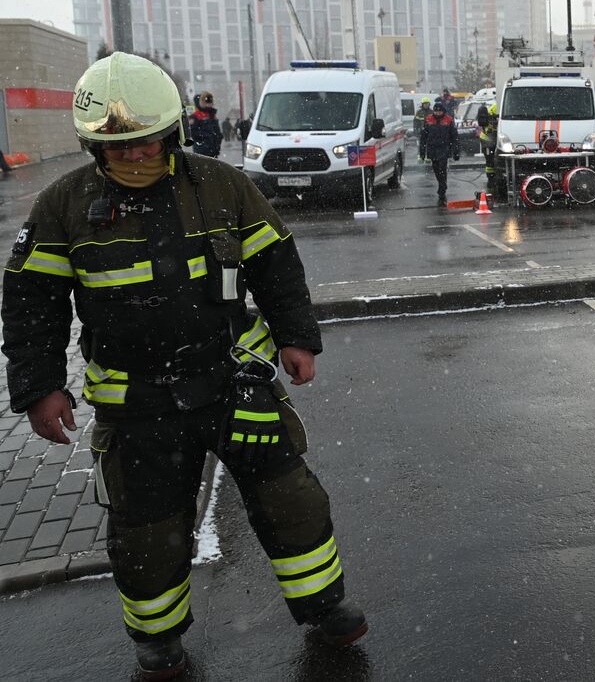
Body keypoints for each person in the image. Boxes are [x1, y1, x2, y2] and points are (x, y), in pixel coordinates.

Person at [1, 53, 366, 679]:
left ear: (169, 134)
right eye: (119, 149)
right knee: (147, 533)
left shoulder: (222, 186)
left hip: (236, 382)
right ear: (93, 146)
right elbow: (31, 304)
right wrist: (39, 389)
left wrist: (296, 338)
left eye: (146, 144)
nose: (135, 158)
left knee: (292, 501)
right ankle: (159, 640)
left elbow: (276, 264)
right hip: (135, 404)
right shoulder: (63, 205)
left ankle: (326, 608)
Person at [420, 99, 459, 205]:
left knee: (442, 168)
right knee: (436, 169)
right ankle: (442, 183)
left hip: (444, 148)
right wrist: (422, 152)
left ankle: (442, 189)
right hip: (432, 148)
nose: (438, 113)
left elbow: (454, 136)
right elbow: (423, 137)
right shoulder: (428, 120)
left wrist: (456, 150)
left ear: (443, 111)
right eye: (436, 111)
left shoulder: (449, 120)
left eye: (439, 111)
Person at [187, 90, 222, 158]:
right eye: (207, 101)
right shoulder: (195, 116)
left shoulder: (212, 115)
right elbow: (193, 133)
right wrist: (207, 137)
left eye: (210, 101)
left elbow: (217, 132)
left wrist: (218, 141)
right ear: (202, 102)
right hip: (202, 151)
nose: (209, 103)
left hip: (214, 151)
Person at [478, 103, 498, 192]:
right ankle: (491, 180)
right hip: (488, 140)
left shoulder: (496, 108)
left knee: (492, 161)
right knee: (490, 161)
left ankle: (493, 179)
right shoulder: (491, 114)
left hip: (494, 139)